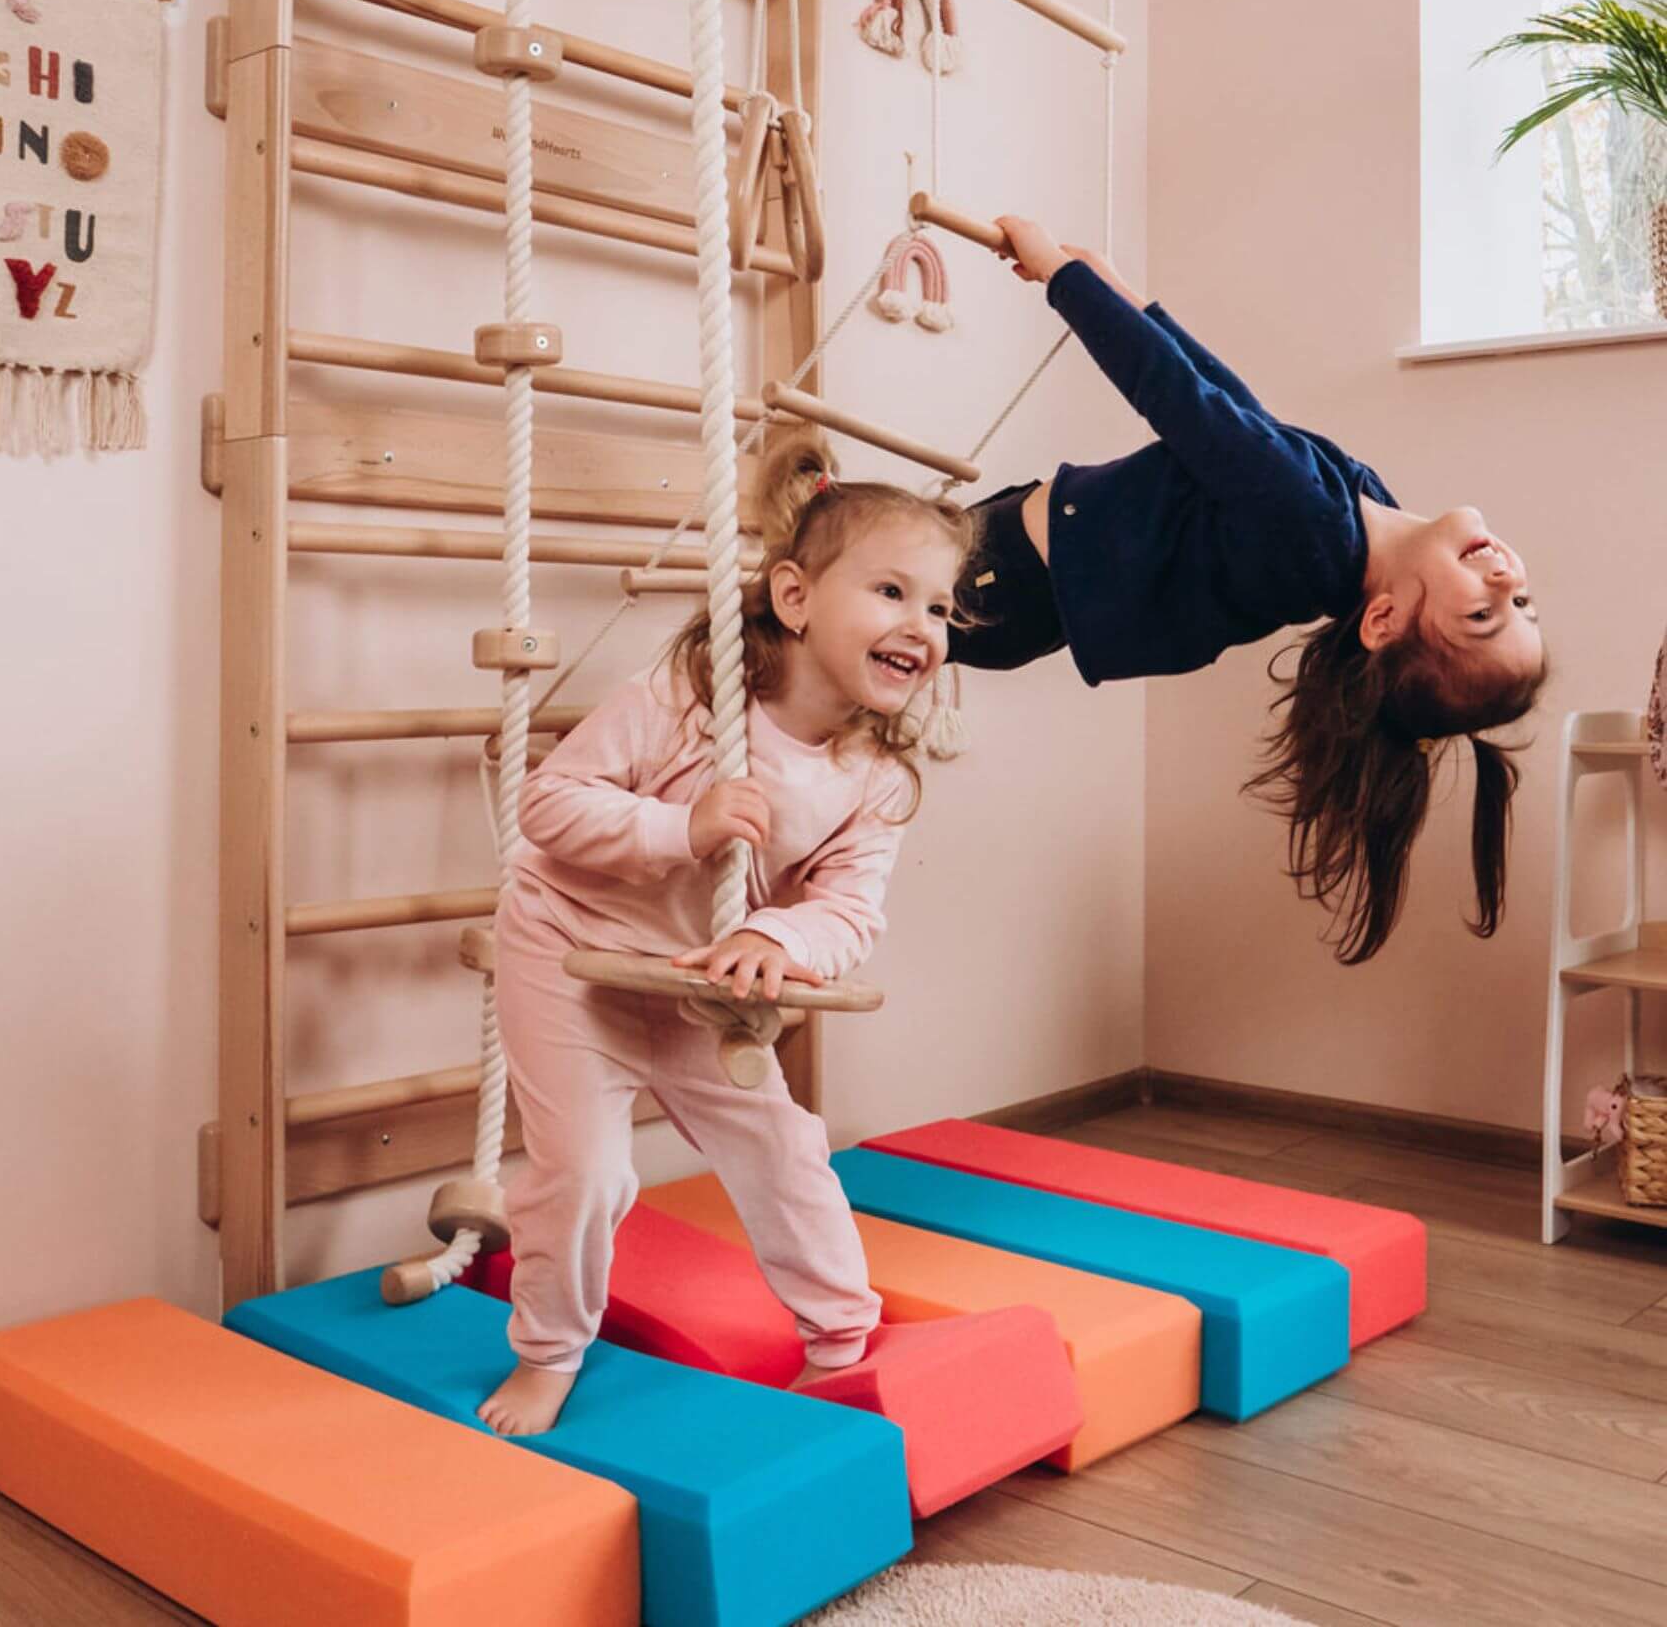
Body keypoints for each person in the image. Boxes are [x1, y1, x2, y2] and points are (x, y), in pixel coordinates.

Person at [476, 431, 978, 1435]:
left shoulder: (874, 778)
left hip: (698, 980)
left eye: (939, 607)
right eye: (892, 593)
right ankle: (549, 1353)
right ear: (795, 600)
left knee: (787, 1149)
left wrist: (780, 944)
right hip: (572, 953)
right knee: (585, 1171)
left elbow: (848, 908)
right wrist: (678, 827)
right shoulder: (690, 698)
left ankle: (839, 1340)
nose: (921, 626)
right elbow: (548, 803)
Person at [949, 217, 1546, 963]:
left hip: (997, 583)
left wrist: (1064, 284)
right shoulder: (1357, 519)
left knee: (807, 608)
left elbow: (1182, 404)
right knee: (814, 585)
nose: (1505, 577)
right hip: (1010, 560)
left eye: (1484, 612)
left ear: (1385, 620)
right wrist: (1122, 296)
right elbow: (1236, 414)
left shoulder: (1314, 533)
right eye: (1520, 603)